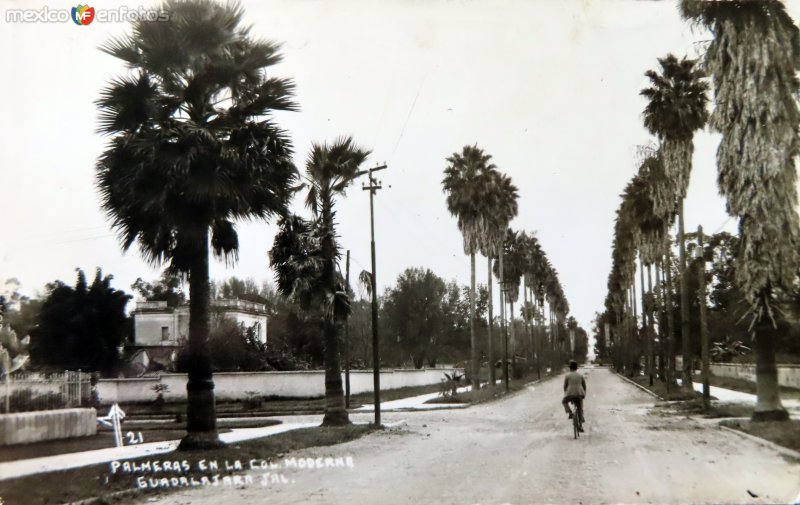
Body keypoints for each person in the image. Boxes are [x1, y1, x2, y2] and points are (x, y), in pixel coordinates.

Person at [562, 360, 586, 430]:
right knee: (580, 409)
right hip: (579, 395)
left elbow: (565, 386)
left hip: (569, 395)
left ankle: (570, 413)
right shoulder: (580, 375)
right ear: (576, 368)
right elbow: (584, 386)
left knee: (564, 401)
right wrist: (583, 394)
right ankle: (580, 426)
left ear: (570, 368)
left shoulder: (567, 376)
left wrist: (566, 393)